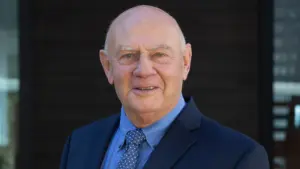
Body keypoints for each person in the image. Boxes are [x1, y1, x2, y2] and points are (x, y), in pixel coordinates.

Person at [59, 5, 270, 169]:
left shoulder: (237, 157)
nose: (143, 70)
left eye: (159, 55)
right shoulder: (79, 144)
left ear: (185, 62)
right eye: (128, 56)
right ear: (107, 66)